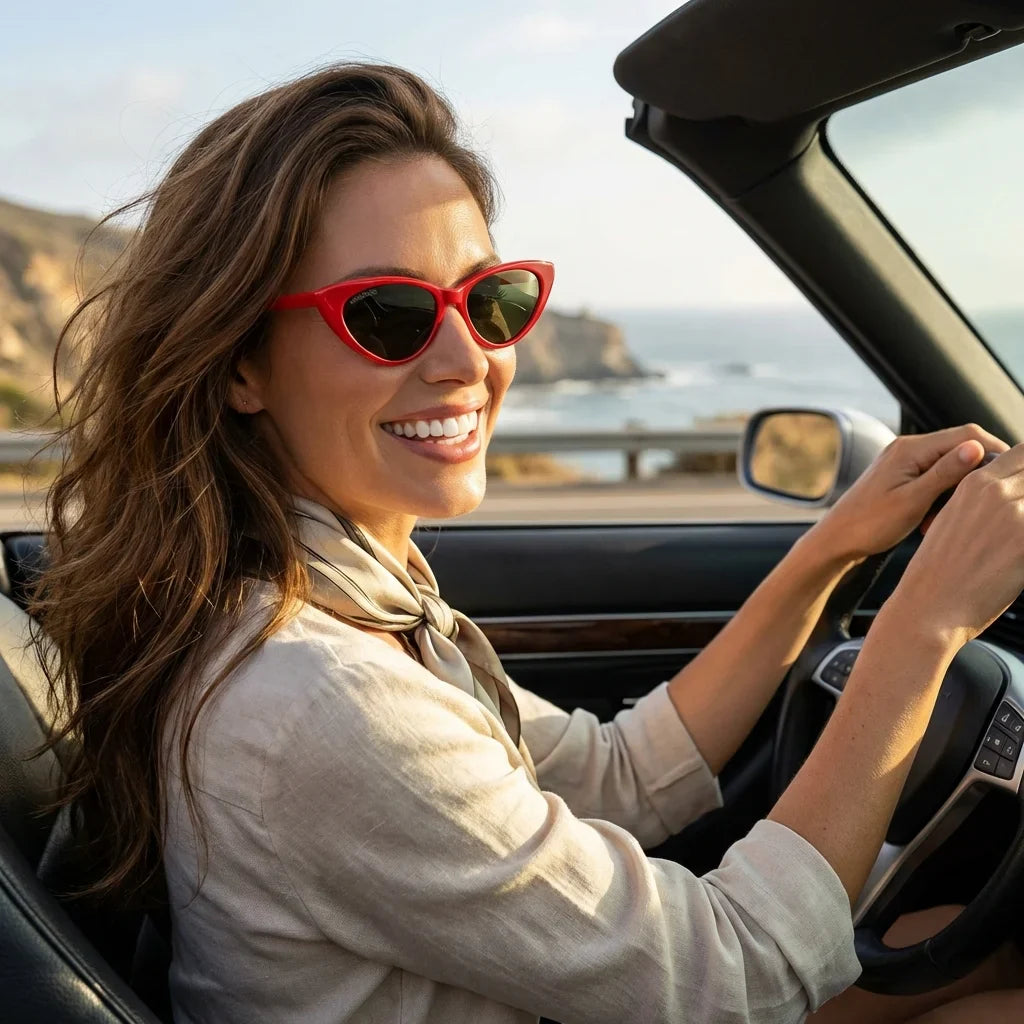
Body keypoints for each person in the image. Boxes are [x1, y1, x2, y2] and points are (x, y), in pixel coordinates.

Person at [29, 62, 1024, 1024]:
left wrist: (829, 552)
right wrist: (924, 625)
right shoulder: (314, 700)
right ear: (241, 362)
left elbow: (611, 776)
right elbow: (738, 976)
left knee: (965, 938)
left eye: (489, 299)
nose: (470, 357)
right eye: (390, 316)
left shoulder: (341, 593)